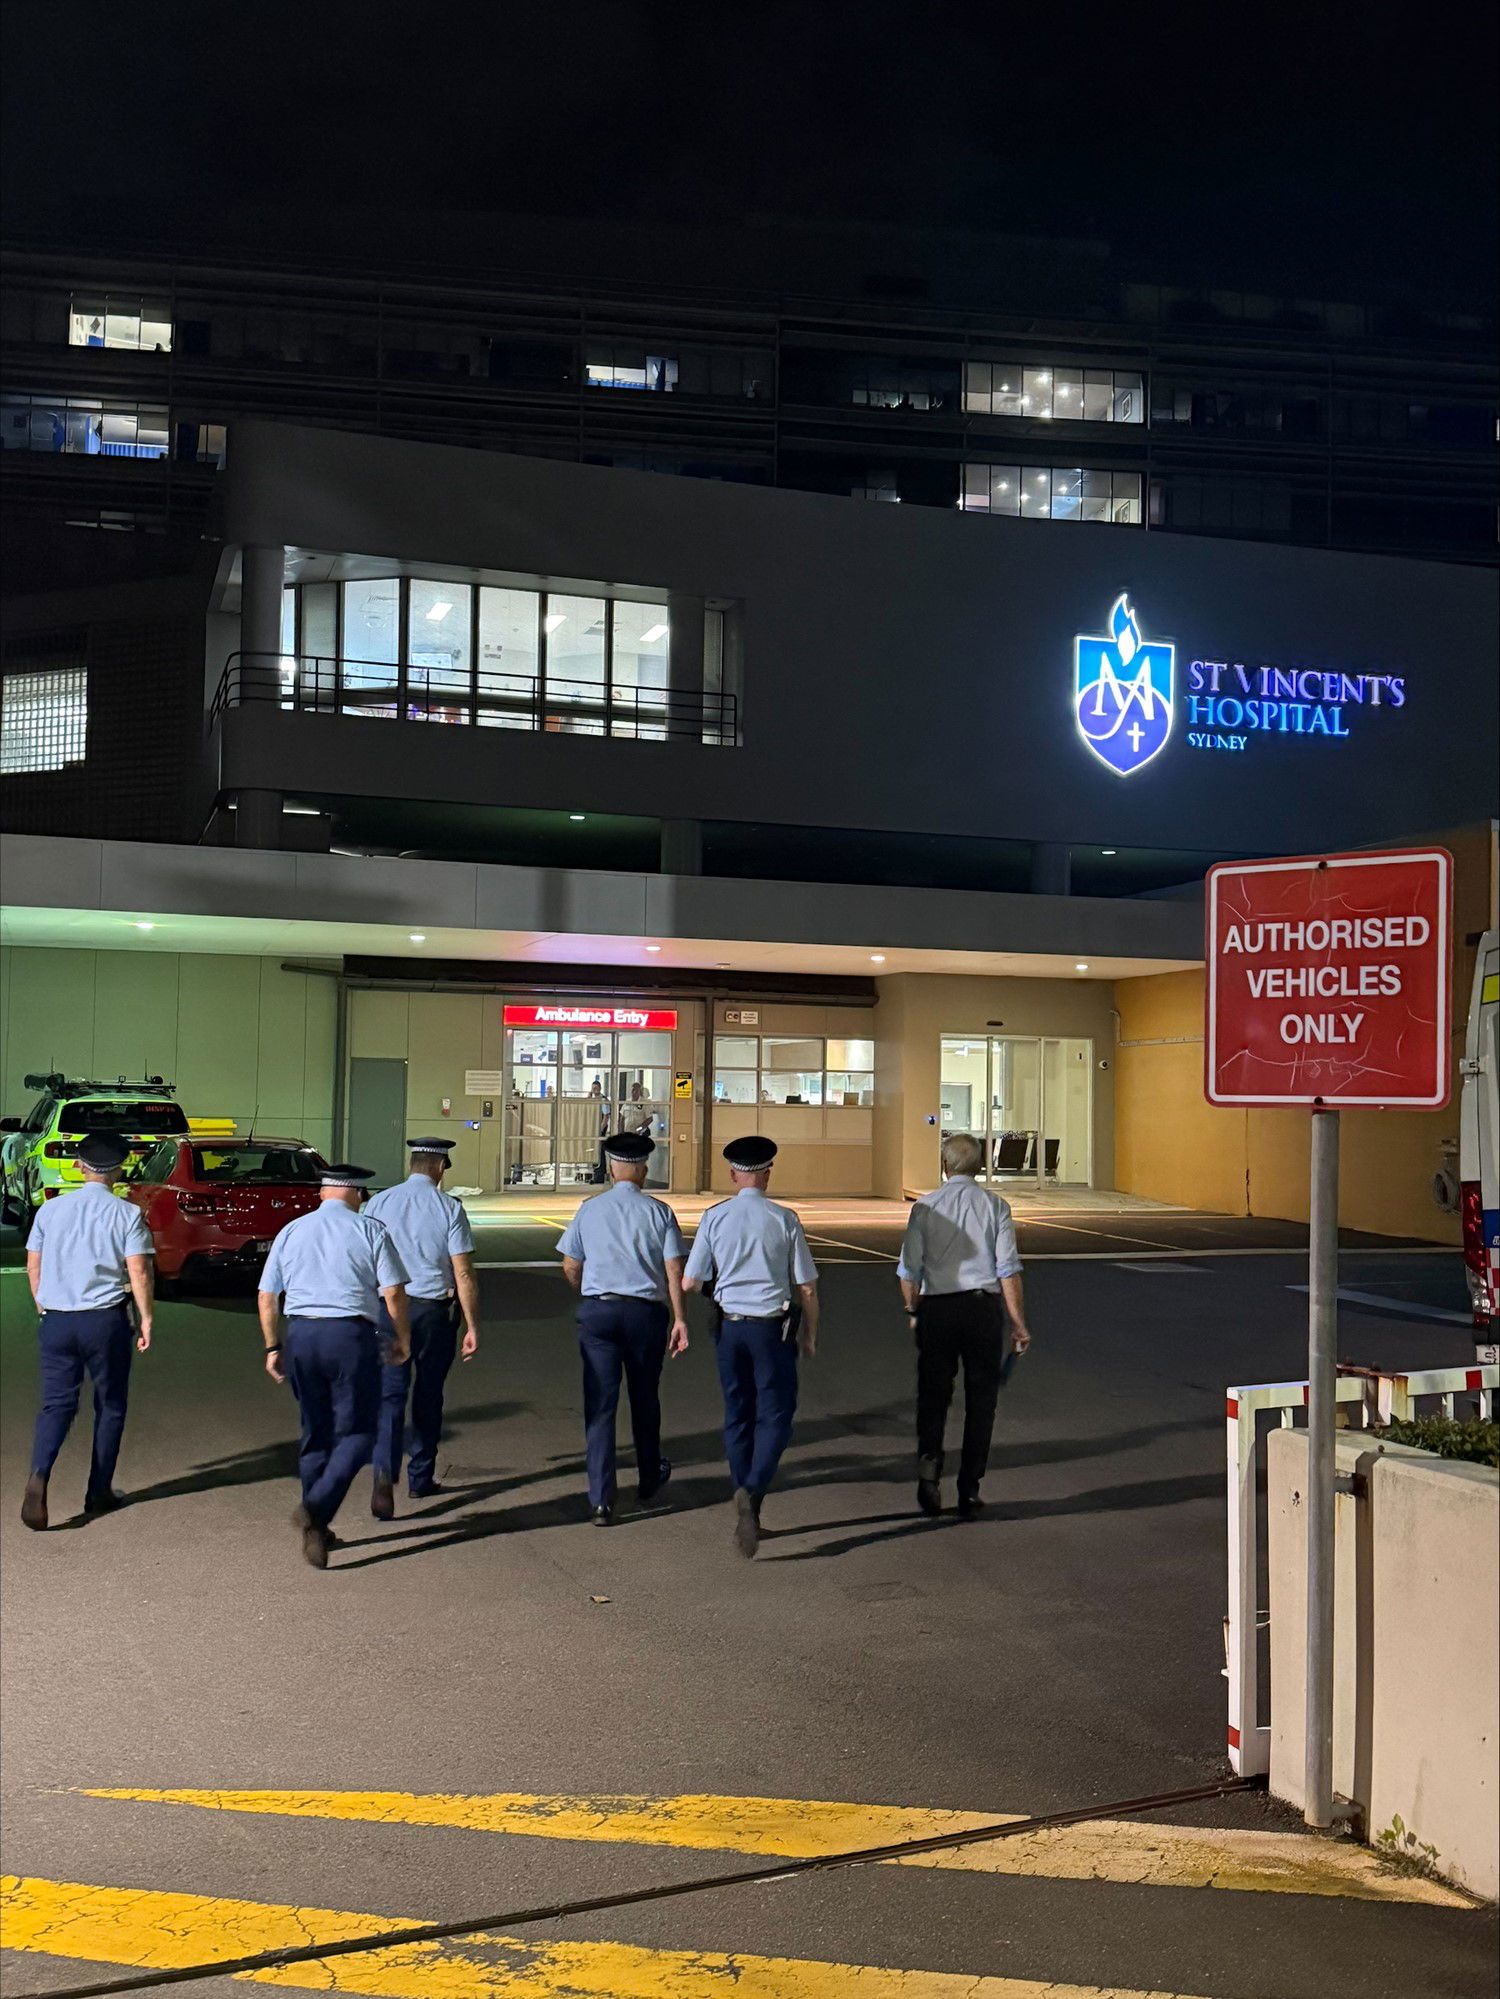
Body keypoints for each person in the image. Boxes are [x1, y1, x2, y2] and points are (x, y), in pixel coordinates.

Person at [257, 1163, 410, 1568]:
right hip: (350, 1337)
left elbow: (267, 1295)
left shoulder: (292, 1231)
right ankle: (317, 1507)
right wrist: (402, 1339)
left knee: (315, 1432)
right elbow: (394, 1291)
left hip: (302, 1335)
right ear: (357, 1195)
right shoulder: (371, 1230)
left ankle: (317, 1531)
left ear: (323, 1193)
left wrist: (273, 1346)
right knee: (359, 1432)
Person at [684, 1136, 818, 1558]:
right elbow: (806, 1286)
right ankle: (754, 1491)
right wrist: (810, 1334)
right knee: (776, 1415)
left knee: (737, 1414)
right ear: (767, 1173)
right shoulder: (784, 1218)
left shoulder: (714, 1217)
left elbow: (690, 1281)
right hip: (771, 1329)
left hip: (729, 1328)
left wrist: (719, 1289)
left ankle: (744, 1492)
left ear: (732, 1174)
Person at [21, 1131, 155, 1530]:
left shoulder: (50, 1211)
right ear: (119, 1170)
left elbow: (33, 1264)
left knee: (56, 1404)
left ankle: (40, 1472)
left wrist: (43, 1305)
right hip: (104, 1321)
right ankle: (98, 1491)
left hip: (58, 1319)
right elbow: (139, 1271)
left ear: (80, 1167)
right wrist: (146, 1318)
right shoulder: (128, 1214)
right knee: (110, 1404)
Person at [897, 1131, 1032, 1521]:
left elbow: (908, 1270)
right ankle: (969, 1489)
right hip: (981, 1310)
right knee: (982, 1401)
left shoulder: (925, 1208)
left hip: (938, 1310)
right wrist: (1018, 1323)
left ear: (945, 1166)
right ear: (981, 1165)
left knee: (933, 1395)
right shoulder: (996, 1206)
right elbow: (1008, 1269)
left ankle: (929, 1473)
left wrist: (913, 1309)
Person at [557, 1131, 689, 1524]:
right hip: (646, 1314)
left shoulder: (590, 1209)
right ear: (643, 1171)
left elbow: (570, 1263)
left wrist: (589, 1291)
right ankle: (648, 1478)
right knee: (645, 1398)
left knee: (600, 1404)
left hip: (600, 1312)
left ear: (612, 1169)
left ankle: (601, 1498)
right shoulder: (660, 1212)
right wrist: (680, 1317)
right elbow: (674, 1269)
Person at [364, 1137, 481, 1517]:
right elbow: (463, 1272)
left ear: (412, 1163)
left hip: (389, 1309)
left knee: (389, 1395)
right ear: (441, 1167)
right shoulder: (449, 1208)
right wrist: (472, 1324)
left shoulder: (379, 1203)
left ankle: (384, 1473)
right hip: (433, 1312)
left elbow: (365, 1261)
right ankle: (420, 1477)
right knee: (429, 1394)